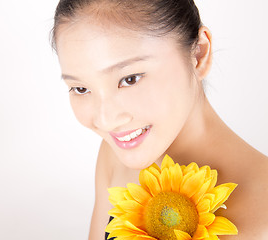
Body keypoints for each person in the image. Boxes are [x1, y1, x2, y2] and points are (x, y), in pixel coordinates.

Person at [51, 0, 268, 239]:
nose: (106, 119)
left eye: (130, 79)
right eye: (80, 89)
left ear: (199, 54)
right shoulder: (114, 157)